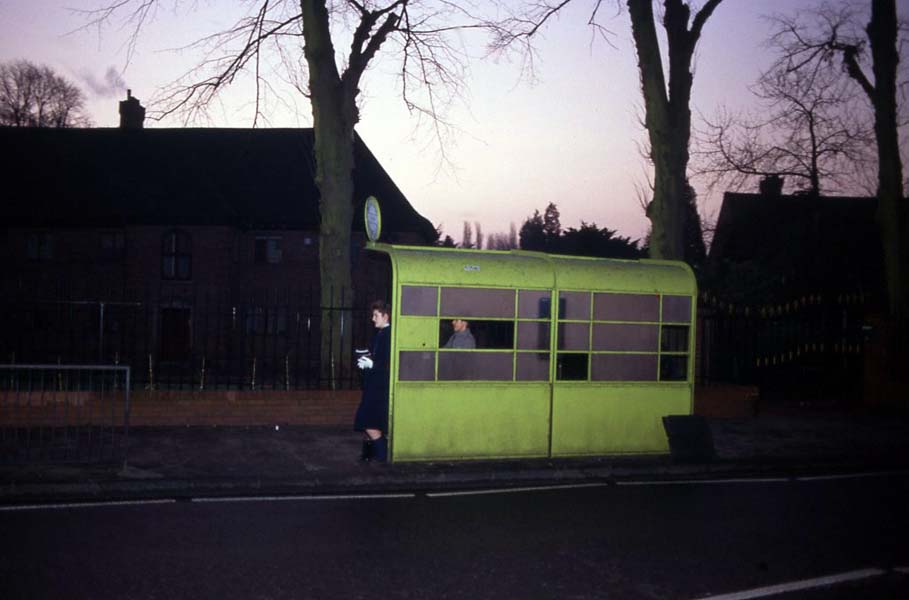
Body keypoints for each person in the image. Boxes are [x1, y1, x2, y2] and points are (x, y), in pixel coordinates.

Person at [354, 301, 392, 462]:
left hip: (379, 387)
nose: (373, 318)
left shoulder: (388, 334)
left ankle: (382, 454)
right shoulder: (381, 333)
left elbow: (389, 362)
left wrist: (372, 364)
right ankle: (379, 453)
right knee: (371, 421)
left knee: (368, 421)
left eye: (376, 315)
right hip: (375, 385)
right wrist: (367, 359)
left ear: (385, 316)